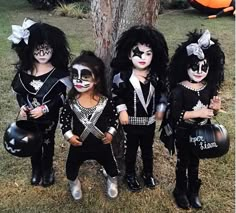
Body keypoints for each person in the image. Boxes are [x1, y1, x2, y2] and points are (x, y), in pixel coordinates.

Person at [9, 18, 71, 187]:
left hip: (48, 117)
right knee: (32, 142)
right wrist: (22, 105)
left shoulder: (59, 74)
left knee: (48, 142)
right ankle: (36, 169)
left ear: (54, 49)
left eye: (46, 50)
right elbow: (19, 93)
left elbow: (63, 97)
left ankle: (47, 169)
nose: (42, 54)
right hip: (29, 117)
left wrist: (44, 108)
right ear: (29, 50)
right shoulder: (25, 71)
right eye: (38, 50)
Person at [167, 29, 225, 209]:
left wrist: (214, 109)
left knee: (195, 162)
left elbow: (211, 112)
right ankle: (180, 190)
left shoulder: (209, 87)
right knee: (182, 162)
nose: (199, 71)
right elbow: (176, 114)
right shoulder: (179, 90)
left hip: (202, 133)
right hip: (184, 132)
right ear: (184, 66)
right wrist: (197, 114)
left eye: (204, 67)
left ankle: (193, 191)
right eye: (195, 67)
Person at [111, 25, 169, 192]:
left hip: (149, 122)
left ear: (154, 56)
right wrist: (121, 110)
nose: (143, 57)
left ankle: (148, 173)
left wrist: (161, 107)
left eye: (148, 53)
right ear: (129, 55)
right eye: (139, 53)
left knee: (147, 149)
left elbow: (163, 93)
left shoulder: (156, 76)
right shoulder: (122, 77)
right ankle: (129, 174)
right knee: (131, 150)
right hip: (130, 122)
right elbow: (117, 94)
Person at [60, 51, 119, 200]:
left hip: (102, 144)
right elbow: (64, 121)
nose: (78, 81)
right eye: (75, 76)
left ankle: (112, 180)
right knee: (71, 167)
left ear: (97, 79)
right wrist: (69, 136)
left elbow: (114, 118)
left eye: (85, 77)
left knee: (111, 167)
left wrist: (111, 133)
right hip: (78, 144)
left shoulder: (106, 102)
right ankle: (73, 183)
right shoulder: (71, 102)